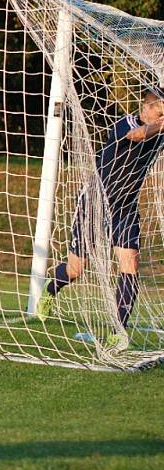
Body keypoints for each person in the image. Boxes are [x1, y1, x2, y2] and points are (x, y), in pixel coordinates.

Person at [37, 90, 164, 345]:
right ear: (145, 108)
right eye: (160, 114)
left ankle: (118, 331)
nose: (163, 119)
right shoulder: (126, 125)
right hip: (95, 201)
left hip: (125, 206)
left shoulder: (159, 129)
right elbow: (138, 136)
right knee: (76, 269)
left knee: (130, 265)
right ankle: (52, 289)